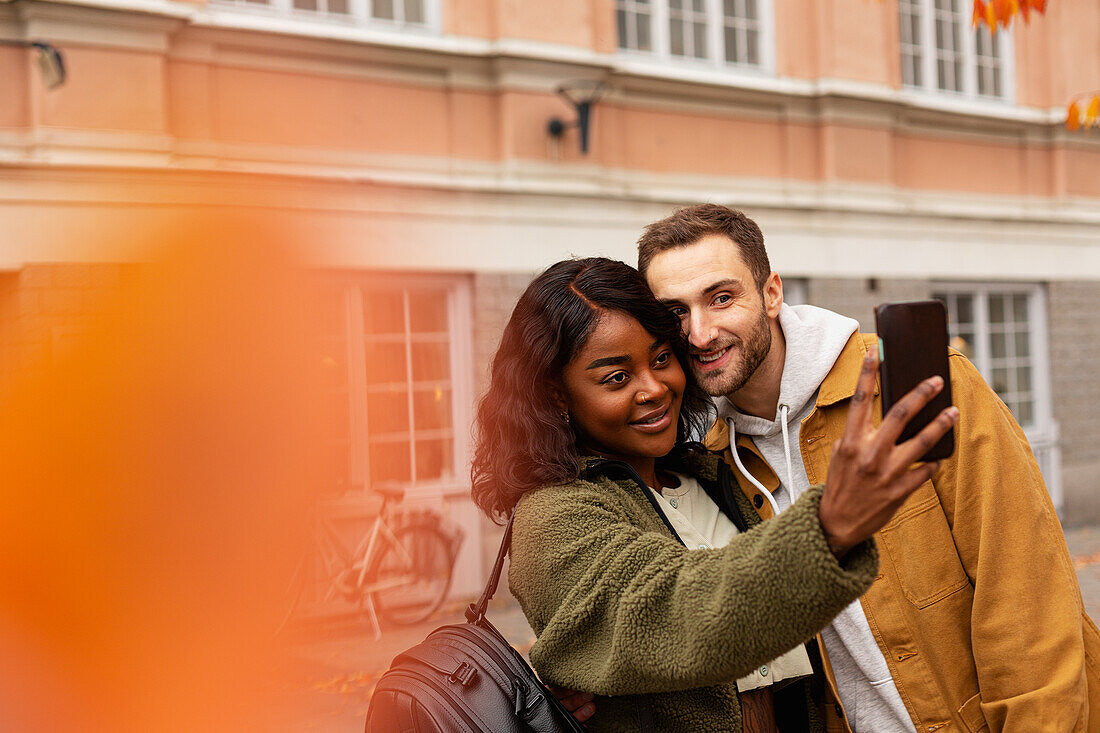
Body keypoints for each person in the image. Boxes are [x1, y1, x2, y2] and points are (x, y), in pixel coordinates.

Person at [638, 203, 1100, 732]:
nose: (700, 333)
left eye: (722, 298)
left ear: (771, 294)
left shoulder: (912, 383)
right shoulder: (714, 460)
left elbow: (1026, 599)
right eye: (675, 312)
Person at [470, 257, 957, 732]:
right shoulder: (551, 517)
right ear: (556, 394)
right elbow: (673, 611)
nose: (654, 388)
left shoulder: (711, 473)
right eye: (617, 378)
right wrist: (827, 527)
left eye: (662, 359)